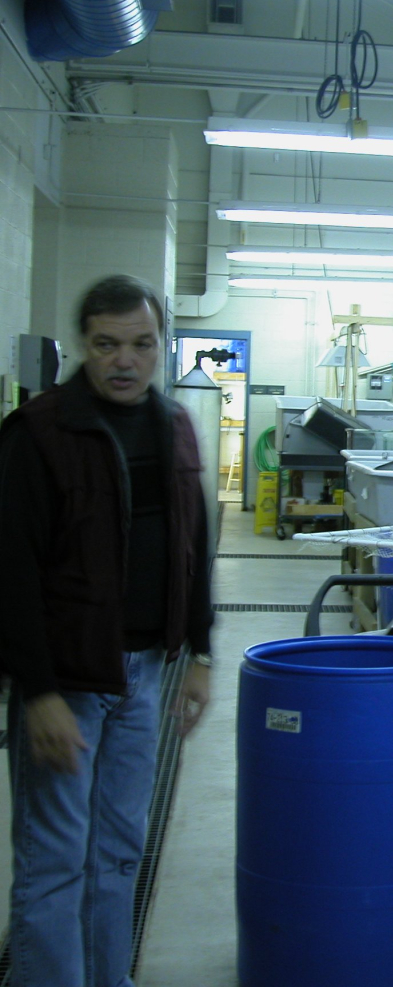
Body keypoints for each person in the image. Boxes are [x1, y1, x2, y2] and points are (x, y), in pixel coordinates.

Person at [0, 274, 214, 987]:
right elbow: (13, 573)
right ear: (85, 346)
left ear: (162, 346)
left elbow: (195, 541)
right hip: (67, 683)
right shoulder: (39, 433)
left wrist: (202, 650)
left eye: (142, 345)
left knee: (120, 849)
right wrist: (36, 693)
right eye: (107, 345)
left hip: (146, 674)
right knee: (55, 861)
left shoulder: (175, 426)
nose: (125, 360)